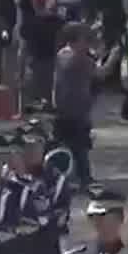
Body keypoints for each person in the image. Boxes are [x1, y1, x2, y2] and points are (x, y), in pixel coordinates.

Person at [51, 23, 97, 187]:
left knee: (73, 146)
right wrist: (113, 55)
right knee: (79, 147)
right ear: (75, 40)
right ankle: (83, 179)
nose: (87, 44)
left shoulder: (63, 55)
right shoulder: (75, 58)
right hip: (73, 111)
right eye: (84, 40)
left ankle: (73, 177)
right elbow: (101, 72)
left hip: (69, 109)